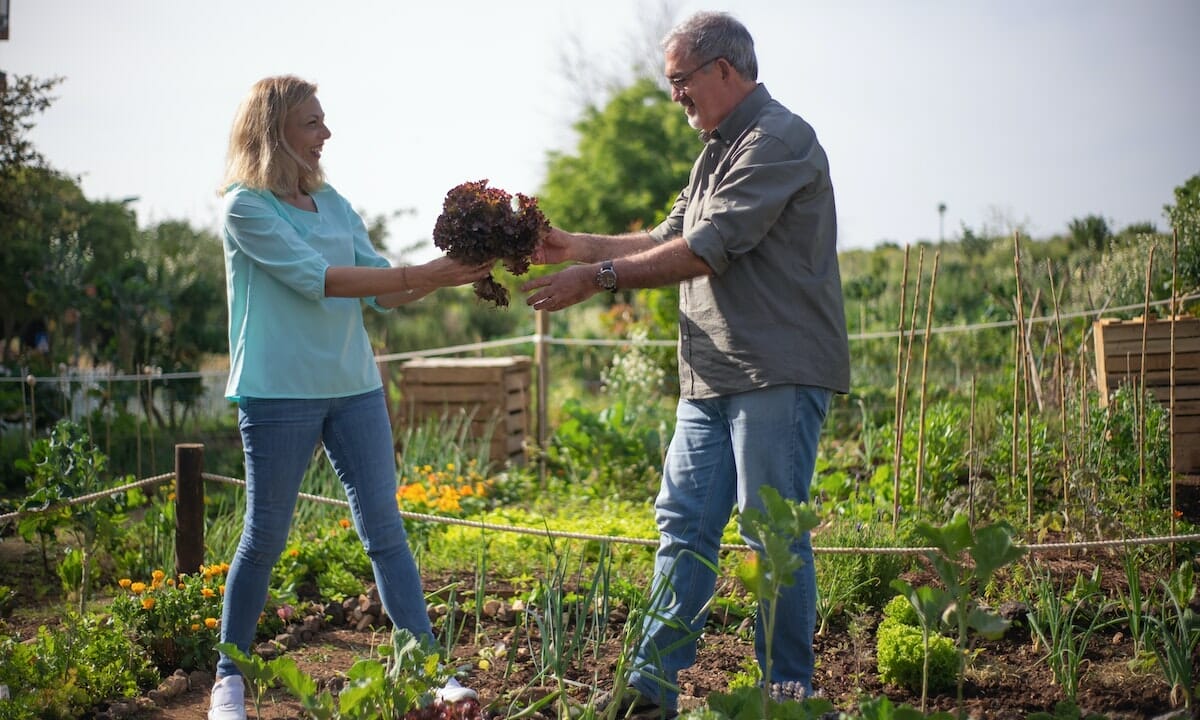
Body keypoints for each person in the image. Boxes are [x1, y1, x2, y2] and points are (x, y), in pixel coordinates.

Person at [521, 12, 850, 719]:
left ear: (724, 70)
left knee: (771, 536)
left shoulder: (779, 140)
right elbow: (667, 235)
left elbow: (708, 247)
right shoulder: (715, 151)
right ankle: (648, 689)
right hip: (710, 379)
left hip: (773, 373)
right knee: (683, 525)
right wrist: (571, 246)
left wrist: (599, 278)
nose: (675, 97)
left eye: (680, 82)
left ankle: (786, 692)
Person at [208, 75, 491, 720]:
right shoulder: (245, 209)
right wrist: (425, 274)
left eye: (323, 121)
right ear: (273, 129)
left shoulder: (332, 203)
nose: (326, 134)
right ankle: (228, 680)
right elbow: (322, 280)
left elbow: (381, 290)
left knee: (385, 530)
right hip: (279, 393)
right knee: (265, 537)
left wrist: (452, 271)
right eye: (312, 122)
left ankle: (426, 671)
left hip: (355, 386)